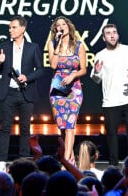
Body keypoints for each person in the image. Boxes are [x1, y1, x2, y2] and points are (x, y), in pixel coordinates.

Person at [0, 15, 45, 171]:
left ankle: (23, 160)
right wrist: (0, 61)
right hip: (8, 92)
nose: (10, 30)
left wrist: (27, 77)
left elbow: (41, 69)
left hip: (26, 92)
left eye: (14, 27)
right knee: (5, 128)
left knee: (24, 128)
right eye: (9, 27)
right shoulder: (4, 46)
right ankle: (1, 161)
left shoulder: (33, 47)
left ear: (23, 29)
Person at [91, 23, 128, 166]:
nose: (112, 35)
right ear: (103, 38)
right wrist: (96, 71)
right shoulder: (100, 55)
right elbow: (96, 79)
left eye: (114, 32)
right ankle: (113, 164)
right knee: (111, 134)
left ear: (118, 35)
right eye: (109, 33)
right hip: (110, 101)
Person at [48, 16, 87, 162]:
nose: (61, 27)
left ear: (69, 26)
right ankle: (70, 158)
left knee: (70, 125)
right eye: (58, 25)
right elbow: (53, 65)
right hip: (57, 89)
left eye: (63, 24)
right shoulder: (52, 44)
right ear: (55, 29)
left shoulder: (78, 45)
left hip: (74, 89)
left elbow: (83, 69)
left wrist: (73, 76)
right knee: (62, 126)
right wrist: (58, 44)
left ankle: (65, 162)